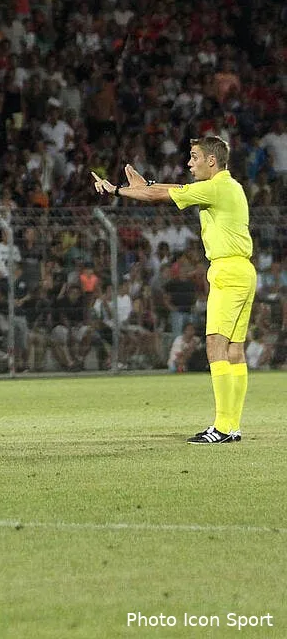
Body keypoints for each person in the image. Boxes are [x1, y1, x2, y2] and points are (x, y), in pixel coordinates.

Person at [92, 136, 255, 443]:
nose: (189, 163)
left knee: (215, 347)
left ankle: (221, 427)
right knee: (234, 350)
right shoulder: (231, 186)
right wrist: (147, 186)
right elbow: (172, 190)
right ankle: (231, 426)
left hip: (227, 272)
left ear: (211, 161)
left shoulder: (216, 186)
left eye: (194, 157)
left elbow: (160, 196)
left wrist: (117, 189)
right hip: (243, 270)